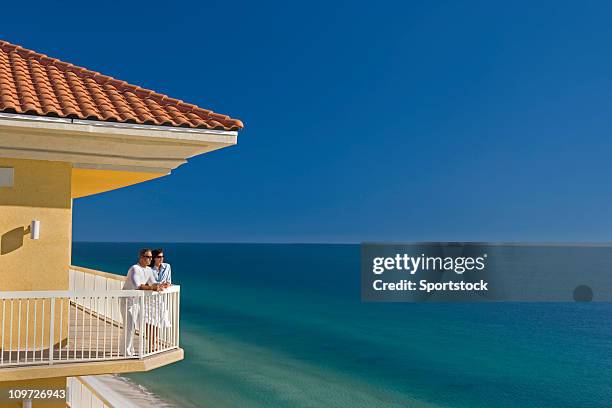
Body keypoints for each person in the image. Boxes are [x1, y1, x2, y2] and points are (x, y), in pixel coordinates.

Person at [120, 248, 168, 356]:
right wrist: (152, 287)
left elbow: (153, 282)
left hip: (137, 301)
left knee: (137, 326)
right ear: (141, 257)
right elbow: (138, 286)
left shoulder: (148, 270)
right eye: (148, 257)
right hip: (127, 301)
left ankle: (130, 351)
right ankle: (126, 353)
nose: (150, 259)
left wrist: (161, 285)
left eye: (151, 257)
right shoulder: (134, 269)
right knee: (129, 327)